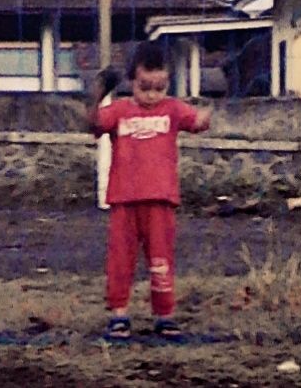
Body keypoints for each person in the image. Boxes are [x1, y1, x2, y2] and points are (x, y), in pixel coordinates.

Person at [87, 41, 211, 341]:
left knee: (161, 258)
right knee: (120, 258)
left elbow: (198, 121)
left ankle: (164, 314)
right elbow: (94, 124)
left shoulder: (173, 109)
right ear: (132, 81)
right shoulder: (119, 111)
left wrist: (209, 111)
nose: (152, 95)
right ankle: (119, 313)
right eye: (145, 87)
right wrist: (96, 96)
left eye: (160, 88)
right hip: (124, 199)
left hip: (161, 199)